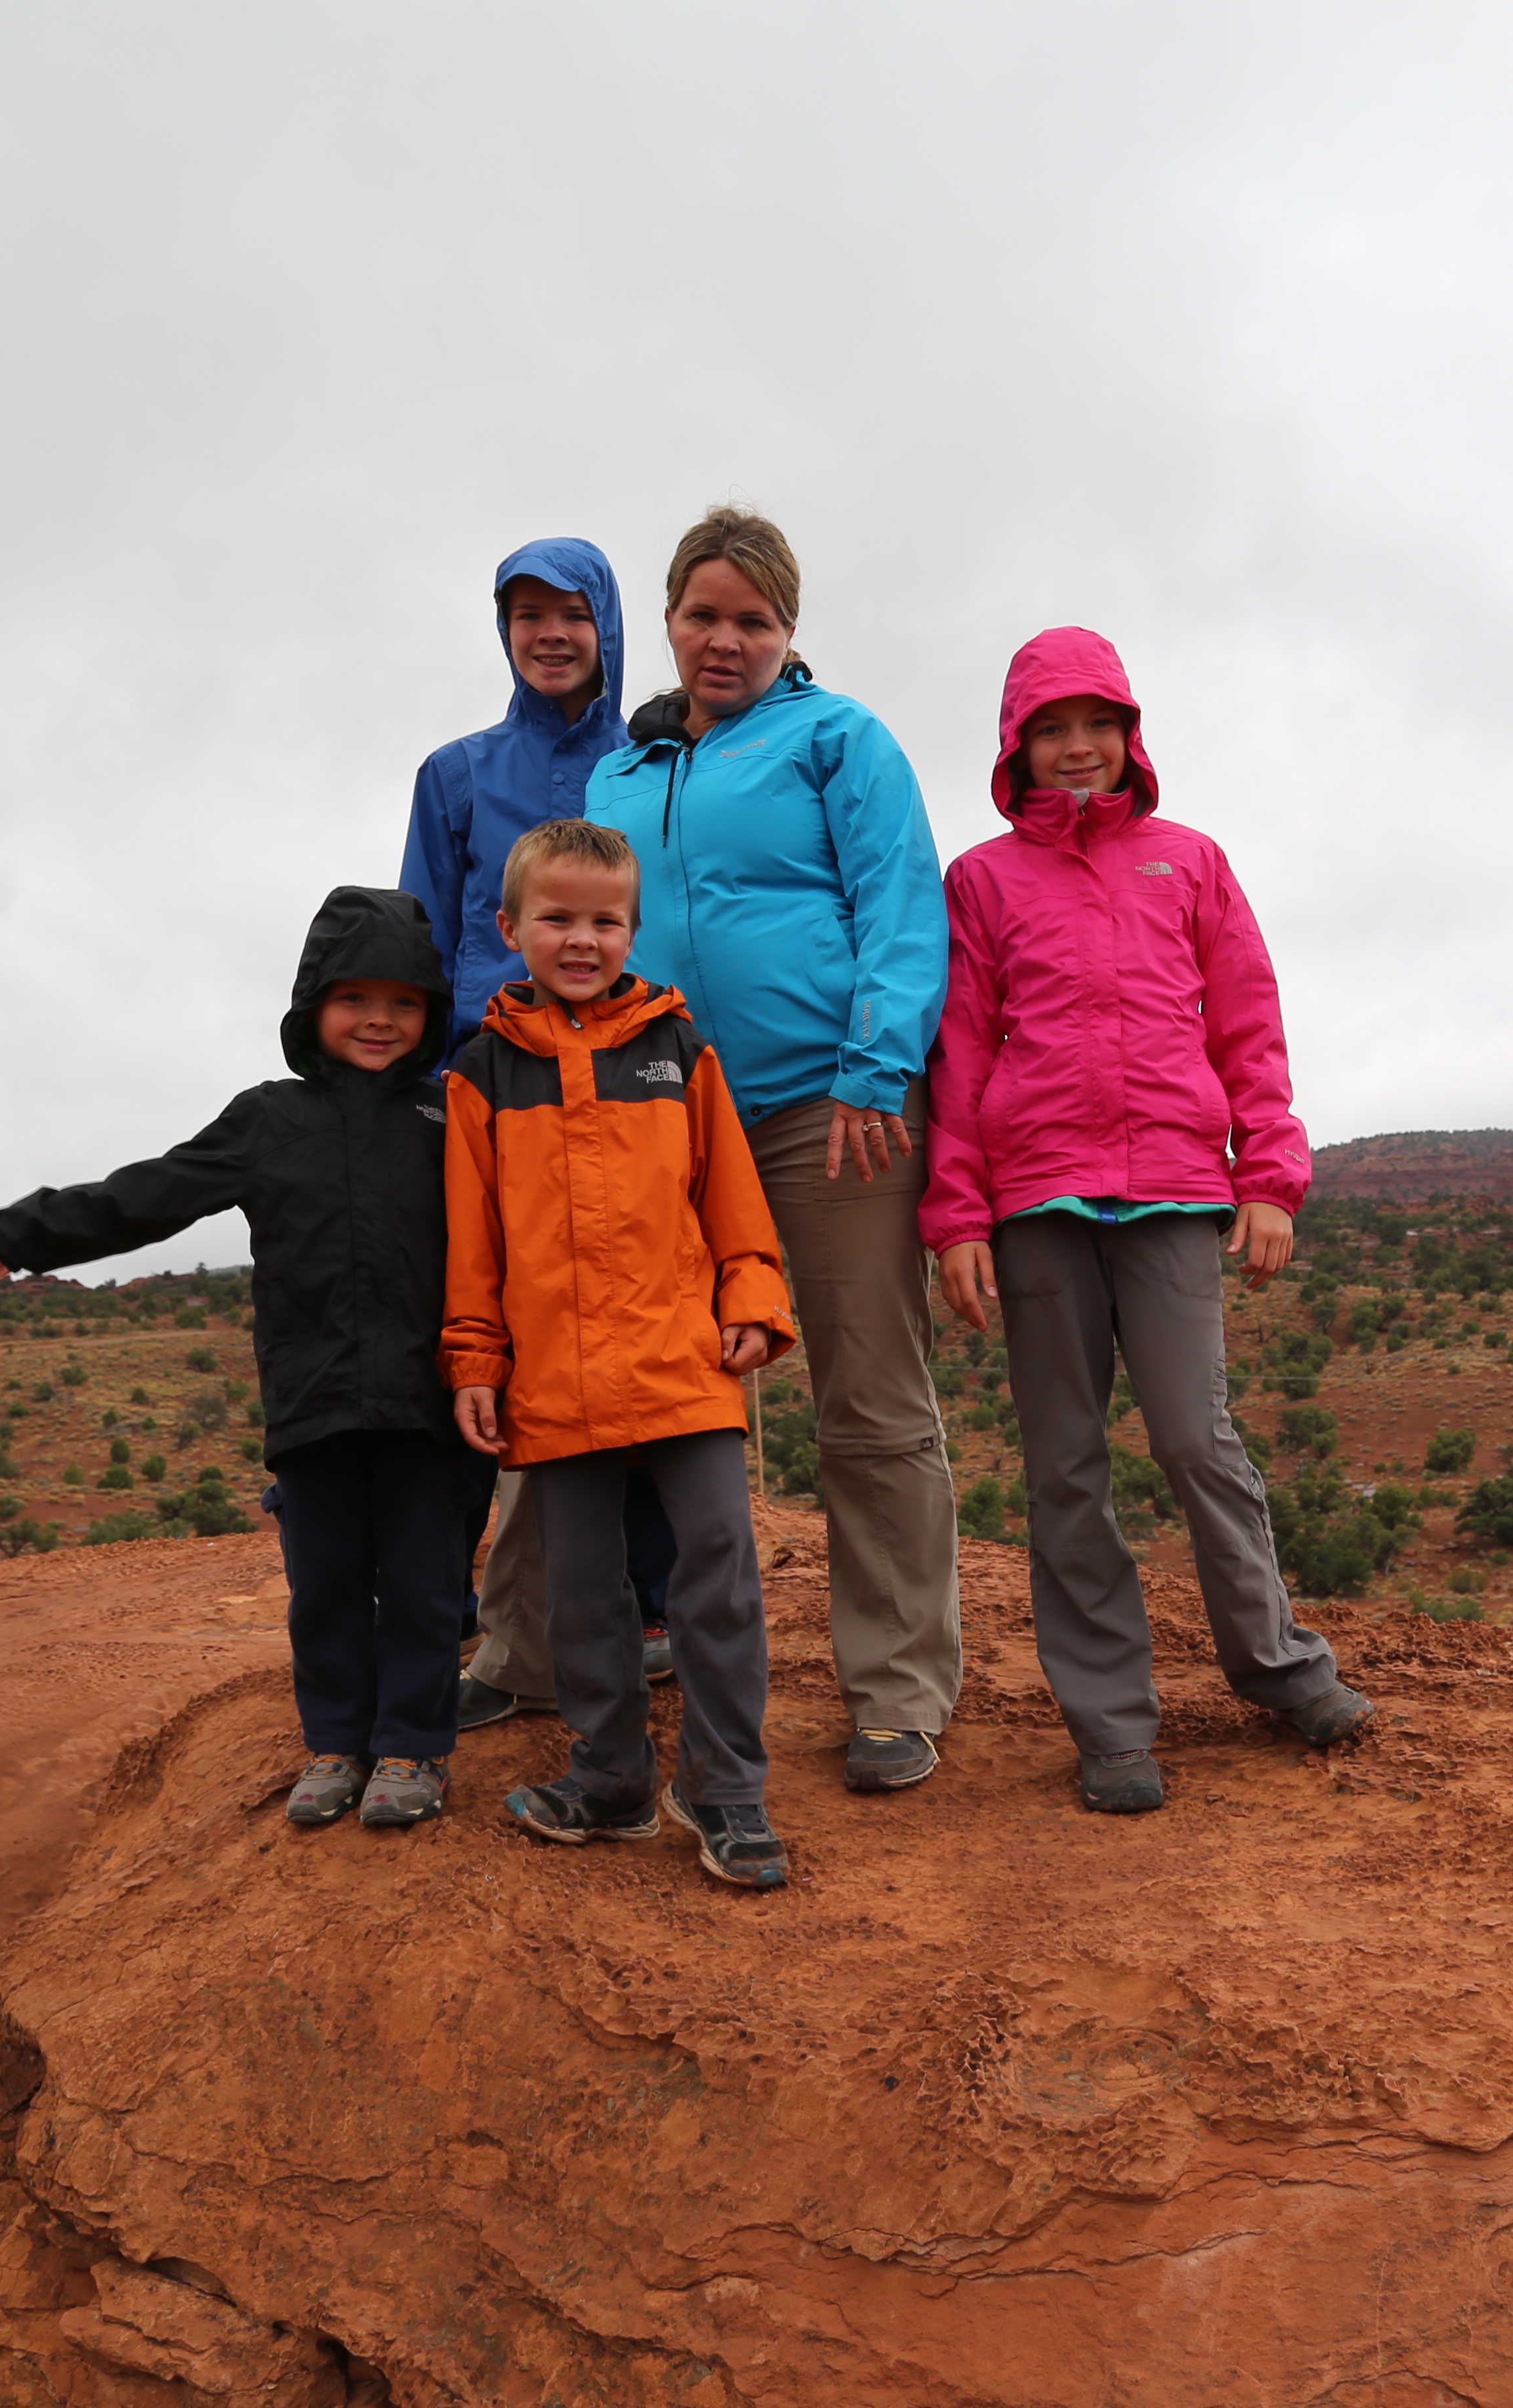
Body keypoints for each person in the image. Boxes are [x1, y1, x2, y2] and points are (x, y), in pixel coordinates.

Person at [921, 628, 1373, 1813]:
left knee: (1193, 1436)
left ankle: (1278, 1667)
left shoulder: (1192, 863)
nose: (1078, 750)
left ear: (1131, 735)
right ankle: (1113, 1725)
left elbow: (1248, 1022)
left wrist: (1270, 1176)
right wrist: (956, 1215)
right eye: (1051, 731)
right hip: (1035, 1199)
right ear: (1018, 748)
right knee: (1065, 1466)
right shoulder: (981, 881)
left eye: (1097, 726)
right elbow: (962, 1053)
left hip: (1177, 1185)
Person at [584, 506, 961, 1795]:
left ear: (790, 630)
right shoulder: (620, 779)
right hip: (668, 1121)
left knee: (867, 1399)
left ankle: (897, 1693)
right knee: (685, 1405)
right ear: (672, 620)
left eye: (753, 619)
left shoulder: (840, 738)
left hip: (828, 1111)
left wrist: (876, 1064)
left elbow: (903, 902)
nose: (724, 639)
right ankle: (699, 1668)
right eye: (704, 614)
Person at [0, 886, 481, 1830]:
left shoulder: (452, 1116)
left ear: (430, 1014)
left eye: (404, 1003)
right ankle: (336, 1743)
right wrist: (35, 1232)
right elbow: (159, 1191)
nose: (379, 1020)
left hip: (429, 1401)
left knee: (423, 1581)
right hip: (313, 1396)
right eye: (354, 1001)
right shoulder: (265, 1120)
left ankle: (412, 1748)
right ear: (311, 1007)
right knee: (326, 1584)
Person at [444, 818, 798, 1890]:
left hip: (683, 1358)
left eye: (605, 921)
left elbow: (728, 1193)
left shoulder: (679, 1051)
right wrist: (475, 1358)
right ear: (512, 929)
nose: (582, 940)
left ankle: (726, 1786)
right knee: (585, 1592)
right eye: (557, 919)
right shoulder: (483, 1072)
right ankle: (608, 1781)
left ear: (634, 930)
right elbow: (475, 1241)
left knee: (719, 1579)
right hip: (552, 1372)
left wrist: (752, 1293)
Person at [395, 536, 677, 1726]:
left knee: (636, 1325)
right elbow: (416, 924)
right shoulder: (457, 772)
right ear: (503, 633)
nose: (551, 635)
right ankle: (486, 1631)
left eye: (572, 614)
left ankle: (652, 1613)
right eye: (527, 616)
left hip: (628, 1074)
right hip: (483, 1074)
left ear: (608, 626)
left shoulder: (652, 762)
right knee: (484, 1331)